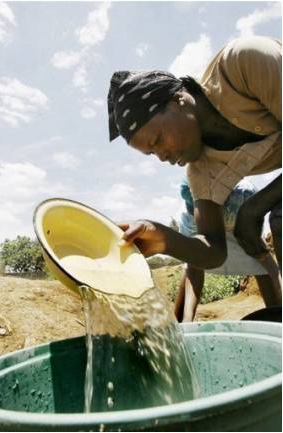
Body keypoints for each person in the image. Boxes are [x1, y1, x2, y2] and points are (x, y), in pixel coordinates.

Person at [107, 36, 282, 309]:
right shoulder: (201, 171)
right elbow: (213, 250)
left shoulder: (243, 64)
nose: (162, 156)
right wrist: (164, 238)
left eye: (158, 141)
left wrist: (254, 208)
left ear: (178, 99)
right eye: (152, 154)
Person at [175, 176, 281, 322]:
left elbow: (265, 260)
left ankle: (276, 316)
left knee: (257, 257)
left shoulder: (243, 198)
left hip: (239, 215)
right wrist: (187, 321)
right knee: (191, 264)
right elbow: (194, 268)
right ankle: (181, 324)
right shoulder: (188, 221)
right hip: (215, 221)